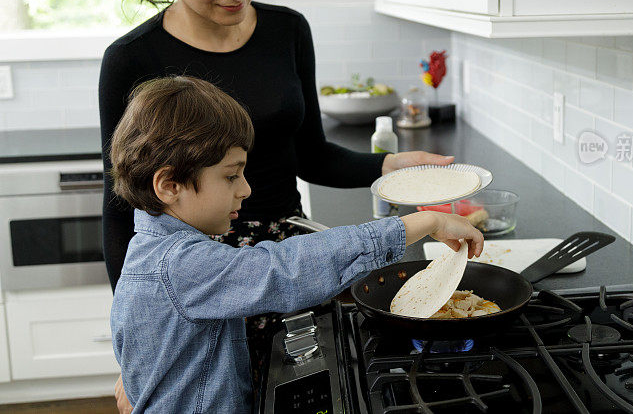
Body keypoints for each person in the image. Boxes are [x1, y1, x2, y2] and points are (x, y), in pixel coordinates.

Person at [100, 0, 456, 400]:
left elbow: (310, 154)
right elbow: (121, 209)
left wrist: (389, 166)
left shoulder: (286, 31)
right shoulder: (132, 59)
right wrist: (136, 352)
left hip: (291, 262)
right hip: (208, 277)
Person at [109, 75, 483, 413]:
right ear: (169, 185)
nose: (246, 189)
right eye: (230, 176)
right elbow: (285, 270)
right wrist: (422, 221)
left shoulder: (150, 249)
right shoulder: (179, 265)